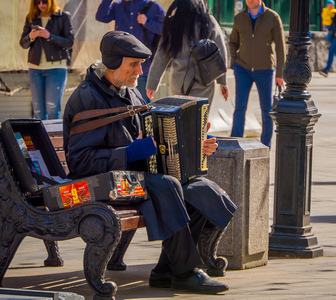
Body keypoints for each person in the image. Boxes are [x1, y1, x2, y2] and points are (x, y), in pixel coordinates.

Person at [63, 31, 236, 294]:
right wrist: (129, 153)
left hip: (132, 177)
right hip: (101, 182)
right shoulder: (87, 97)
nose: (140, 70)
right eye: (134, 64)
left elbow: (156, 139)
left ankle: (166, 270)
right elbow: (80, 162)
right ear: (112, 63)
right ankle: (186, 271)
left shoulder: (131, 94)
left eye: (141, 64)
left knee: (199, 187)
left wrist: (195, 146)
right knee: (167, 185)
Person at [145, 0, 228, 105]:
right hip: (204, 82)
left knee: (180, 119)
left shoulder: (173, 24)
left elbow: (161, 56)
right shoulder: (208, 21)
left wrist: (152, 84)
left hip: (178, 84)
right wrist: (222, 81)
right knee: (200, 118)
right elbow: (219, 52)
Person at [228, 0, 286, 148]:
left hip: (265, 69)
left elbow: (280, 46)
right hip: (242, 69)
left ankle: (265, 144)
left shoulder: (272, 17)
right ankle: (235, 142)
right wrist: (234, 61)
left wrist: (280, 74)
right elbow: (233, 42)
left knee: (267, 109)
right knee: (240, 107)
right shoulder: (239, 18)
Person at [96, 0, 166, 103]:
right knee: (120, 105)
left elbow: (168, 30)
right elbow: (101, 17)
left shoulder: (153, 7)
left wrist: (148, 23)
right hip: (120, 68)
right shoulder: (117, 5)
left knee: (141, 105)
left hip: (142, 68)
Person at [19, 0, 74, 120]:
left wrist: (49, 36)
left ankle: (52, 139)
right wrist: (30, 37)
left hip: (56, 68)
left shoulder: (63, 16)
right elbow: (23, 44)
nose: (41, 4)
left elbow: (69, 42)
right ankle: (41, 138)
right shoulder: (31, 18)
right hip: (35, 69)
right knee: (38, 111)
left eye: (44, 1)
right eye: (37, 2)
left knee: (52, 110)